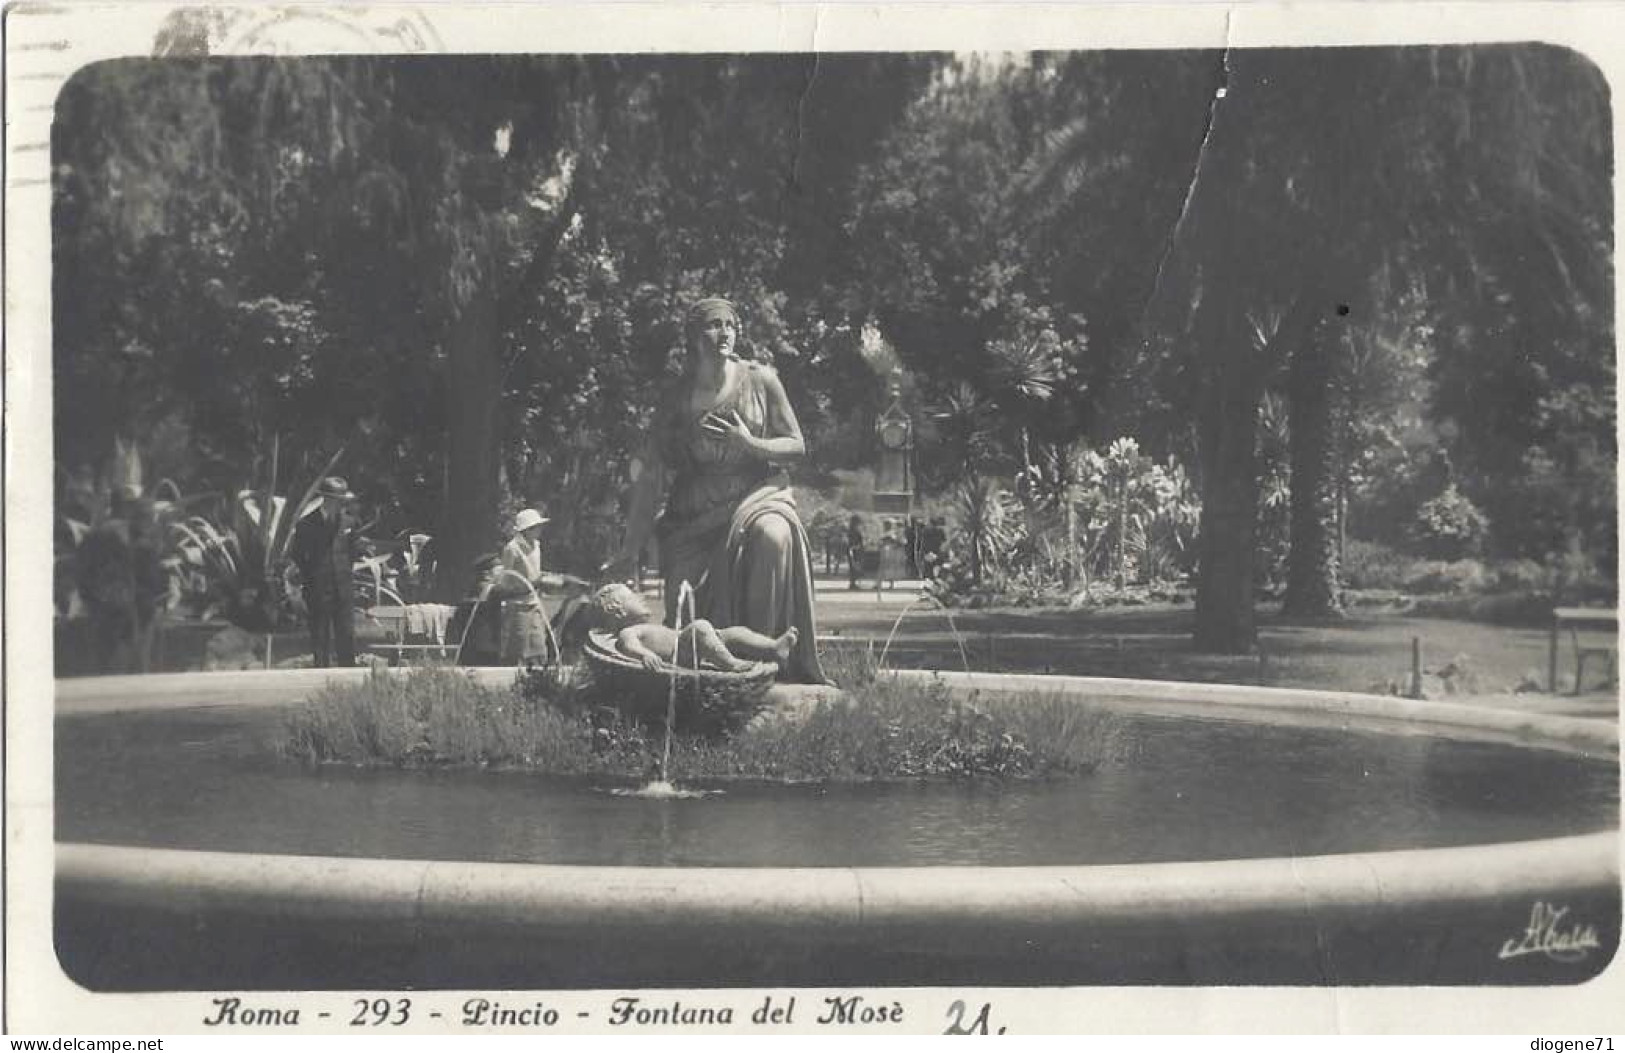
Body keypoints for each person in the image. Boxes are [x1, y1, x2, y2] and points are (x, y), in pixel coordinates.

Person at [607, 297, 825, 683]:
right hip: (693, 516)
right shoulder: (676, 398)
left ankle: (764, 667)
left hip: (756, 496)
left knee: (773, 537)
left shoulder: (762, 380)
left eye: (730, 325)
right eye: (713, 324)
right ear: (693, 336)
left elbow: (797, 446)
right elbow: (651, 476)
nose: (724, 332)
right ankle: (710, 682)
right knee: (686, 626)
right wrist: (630, 547)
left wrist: (751, 445)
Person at [591, 583, 796, 673]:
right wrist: (644, 655)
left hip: (688, 645)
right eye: (634, 597)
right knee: (700, 626)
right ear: (618, 612)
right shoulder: (629, 632)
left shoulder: (645, 626)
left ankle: (773, 647)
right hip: (681, 654)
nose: (641, 597)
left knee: (734, 632)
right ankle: (730, 664)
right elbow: (629, 646)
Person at [498, 507, 589, 665]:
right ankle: (512, 674)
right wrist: (520, 586)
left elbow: (537, 573)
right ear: (527, 529)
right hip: (518, 604)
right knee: (518, 645)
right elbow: (506, 577)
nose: (540, 530)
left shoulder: (537, 546)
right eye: (536, 527)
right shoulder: (512, 549)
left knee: (538, 644)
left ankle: (539, 674)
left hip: (534, 601)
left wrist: (555, 581)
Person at [288, 475, 359, 668]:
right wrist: (311, 576)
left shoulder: (349, 523)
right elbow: (298, 555)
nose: (341, 505)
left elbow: (352, 553)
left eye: (343, 501)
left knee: (346, 632)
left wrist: (344, 573)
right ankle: (321, 675)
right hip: (317, 587)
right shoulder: (306, 524)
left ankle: (348, 673)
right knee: (320, 635)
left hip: (343, 587)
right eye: (338, 501)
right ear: (327, 499)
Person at [845, 514, 865, 591]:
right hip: (855, 550)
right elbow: (854, 542)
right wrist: (857, 546)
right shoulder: (854, 532)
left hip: (853, 550)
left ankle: (853, 582)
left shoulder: (851, 531)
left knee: (853, 567)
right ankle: (853, 583)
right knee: (854, 566)